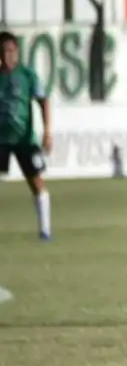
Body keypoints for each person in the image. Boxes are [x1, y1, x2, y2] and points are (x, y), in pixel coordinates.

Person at [0, 32, 53, 240]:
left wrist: (47, 130)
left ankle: (45, 230)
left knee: (36, 183)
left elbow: (43, 101)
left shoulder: (27, 75)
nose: (8, 56)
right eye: (4, 51)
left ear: (17, 52)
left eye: (11, 51)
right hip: (1, 139)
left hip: (25, 139)